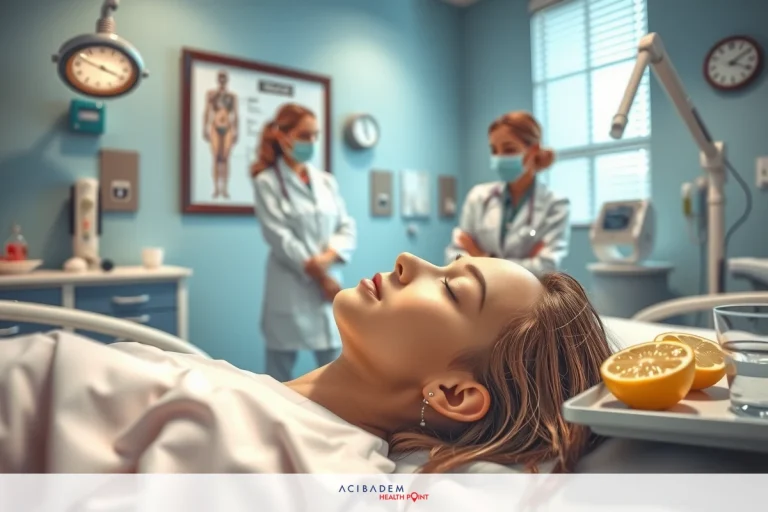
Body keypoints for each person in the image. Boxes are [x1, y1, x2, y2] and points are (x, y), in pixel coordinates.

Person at [0, 254, 612, 474]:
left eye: (452, 289)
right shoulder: (249, 394)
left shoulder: (316, 468)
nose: (407, 260)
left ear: (454, 393)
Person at [250, 103, 356, 382]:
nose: (311, 142)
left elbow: (346, 226)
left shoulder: (326, 182)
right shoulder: (267, 182)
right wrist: (320, 275)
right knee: (278, 377)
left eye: (314, 136)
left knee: (337, 368)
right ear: (283, 136)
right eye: (304, 135)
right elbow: (279, 237)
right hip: (292, 286)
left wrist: (328, 257)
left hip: (328, 284)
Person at [446, 111, 570, 276]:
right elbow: (454, 257)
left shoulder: (555, 204)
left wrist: (480, 255)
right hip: (481, 298)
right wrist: (523, 263)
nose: (499, 158)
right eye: (494, 150)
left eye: (509, 149)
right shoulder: (478, 197)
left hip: (527, 298)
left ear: (533, 150)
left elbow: (546, 266)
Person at [203, 70, 239, 199]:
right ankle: (216, 189)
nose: (222, 80)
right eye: (220, 78)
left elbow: (235, 114)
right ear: (218, 79)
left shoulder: (232, 96)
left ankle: (225, 189)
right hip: (215, 127)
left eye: (224, 78)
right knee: (216, 158)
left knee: (225, 158)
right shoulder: (212, 94)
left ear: (227, 80)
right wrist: (205, 127)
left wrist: (236, 131)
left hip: (228, 127)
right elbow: (207, 111)